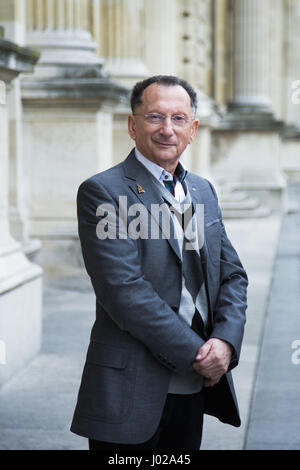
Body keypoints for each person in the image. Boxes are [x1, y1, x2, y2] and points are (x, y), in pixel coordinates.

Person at [70, 75, 248, 450]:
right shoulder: (104, 191)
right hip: (131, 387)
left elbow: (231, 275)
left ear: (193, 129)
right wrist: (198, 354)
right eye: (154, 117)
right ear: (132, 126)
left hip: (196, 385)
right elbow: (123, 291)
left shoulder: (201, 190)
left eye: (178, 118)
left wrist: (225, 343)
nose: (167, 130)